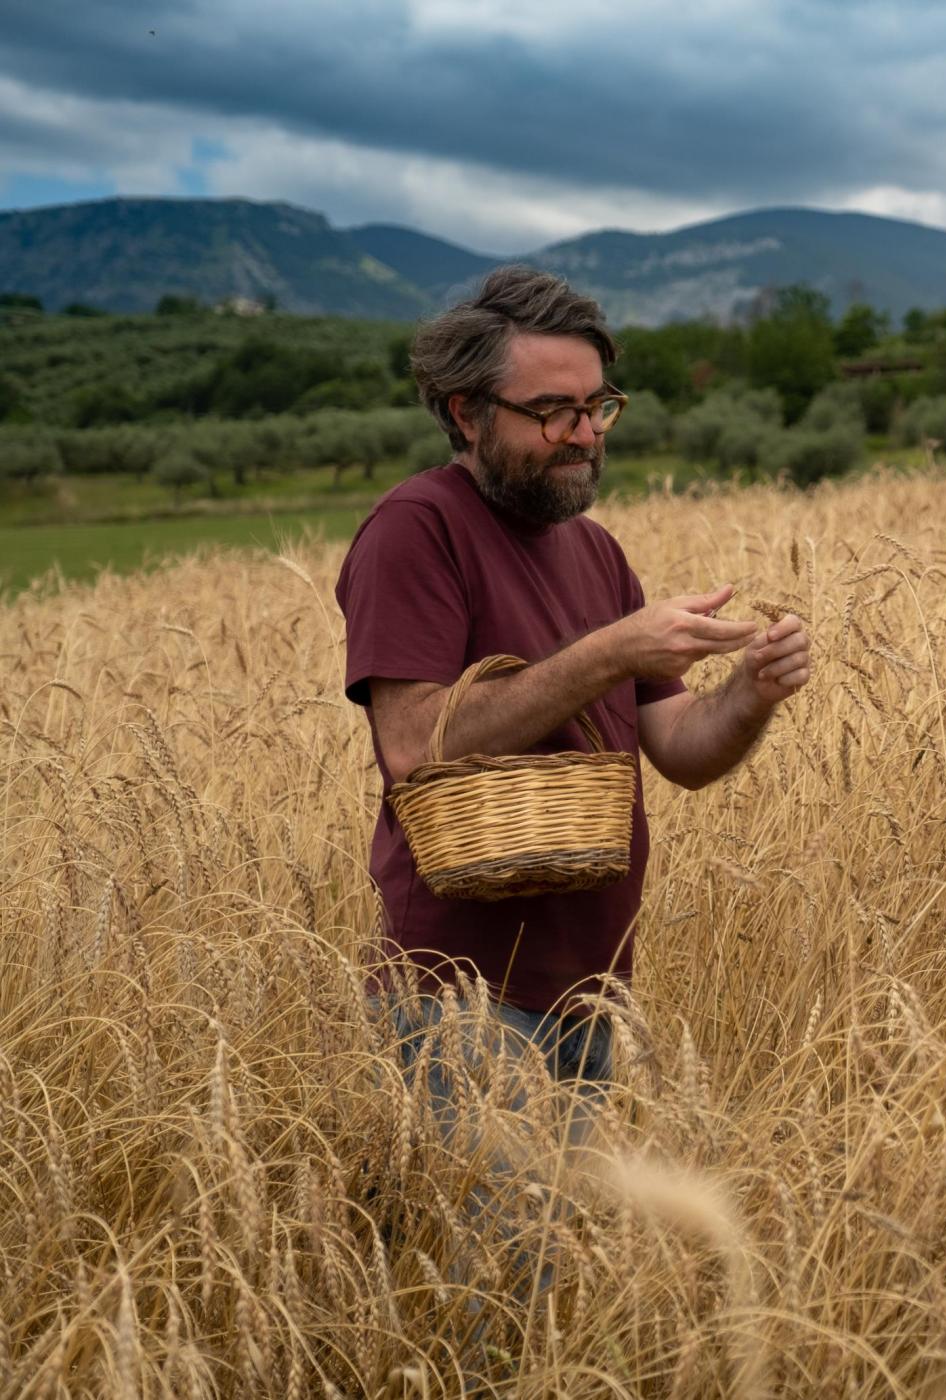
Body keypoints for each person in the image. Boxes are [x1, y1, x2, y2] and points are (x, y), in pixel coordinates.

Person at [335, 265, 812, 1117]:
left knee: (564, 1247)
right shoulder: (417, 527)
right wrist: (609, 653)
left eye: (598, 407)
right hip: (456, 995)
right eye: (553, 411)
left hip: (589, 990)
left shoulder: (594, 550)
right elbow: (412, 745)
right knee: (508, 1255)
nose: (586, 433)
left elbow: (682, 750)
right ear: (465, 412)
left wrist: (750, 692)